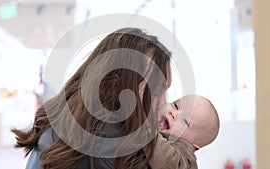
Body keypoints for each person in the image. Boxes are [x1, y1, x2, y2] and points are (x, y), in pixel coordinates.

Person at [11, 27, 196, 169]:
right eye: (158, 92)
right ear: (121, 85)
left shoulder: (63, 121)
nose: (164, 105)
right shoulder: (109, 147)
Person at [148, 94, 220, 169]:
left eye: (185, 121)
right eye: (175, 106)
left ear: (193, 146)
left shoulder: (185, 159)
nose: (174, 114)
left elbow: (161, 155)